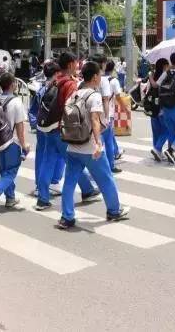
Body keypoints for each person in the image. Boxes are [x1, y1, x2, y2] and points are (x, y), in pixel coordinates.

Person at [58, 61, 130, 230]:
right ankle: (114, 211)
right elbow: (95, 120)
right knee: (106, 179)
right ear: (95, 77)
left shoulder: (75, 94)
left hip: (73, 145)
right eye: (99, 75)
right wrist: (98, 143)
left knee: (69, 182)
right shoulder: (94, 96)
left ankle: (67, 217)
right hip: (90, 147)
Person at [37, 52, 96, 211]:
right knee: (74, 162)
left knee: (47, 163)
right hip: (61, 130)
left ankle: (42, 198)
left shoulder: (54, 81)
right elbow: (71, 108)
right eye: (76, 63)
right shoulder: (70, 84)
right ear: (70, 64)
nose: (78, 65)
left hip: (49, 128)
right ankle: (87, 190)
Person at [0, 73, 30, 213]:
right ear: (12, 85)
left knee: (4, 172)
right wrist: (24, 145)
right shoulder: (16, 102)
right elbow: (20, 127)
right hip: (11, 142)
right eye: (15, 82)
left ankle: (10, 198)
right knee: (11, 172)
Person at [29, 61, 64, 197]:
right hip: (55, 127)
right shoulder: (57, 88)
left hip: (41, 127)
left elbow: (33, 111)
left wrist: (35, 124)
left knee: (41, 156)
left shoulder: (40, 90)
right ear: (56, 73)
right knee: (58, 154)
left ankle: (40, 185)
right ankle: (54, 182)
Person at [105, 59, 128, 171]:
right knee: (108, 140)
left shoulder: (98, 78)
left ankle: (117, 151)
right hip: (108, 113)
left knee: (109, 136)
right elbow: (118, 96)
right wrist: (125, 109)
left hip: (96, 113)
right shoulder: (114, 81)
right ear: (113, 68)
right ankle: (111, 165)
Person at [148, 58, 170, 161]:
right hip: (161, 106)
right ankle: (157, 149)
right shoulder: (165, 74)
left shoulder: (154, 75)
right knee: (166, 129)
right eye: (167, 65)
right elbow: (155, 85)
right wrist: (150, 77)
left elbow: (149, 89)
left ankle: (157, 151)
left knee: (156, 130)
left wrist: (150, 77)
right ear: (164, 66)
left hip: (152, 106)